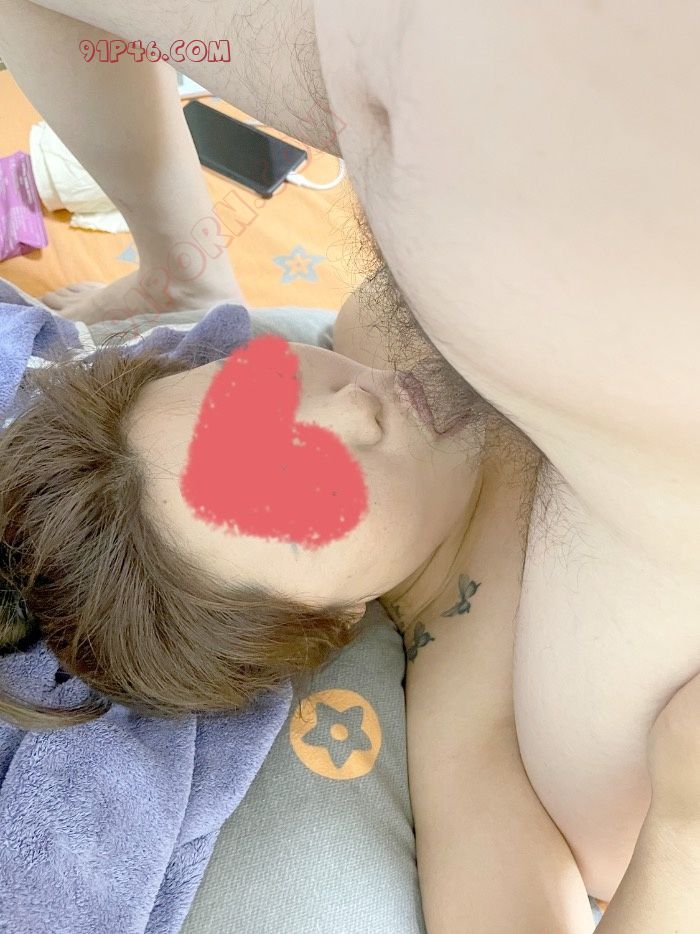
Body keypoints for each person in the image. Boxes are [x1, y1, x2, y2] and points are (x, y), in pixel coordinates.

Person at [1, 0, 699, 930]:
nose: (352, 406)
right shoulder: (467, 696)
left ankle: (177, 274)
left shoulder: (375, 333)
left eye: (268, 385)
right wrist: (683, 829)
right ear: (327, 621)